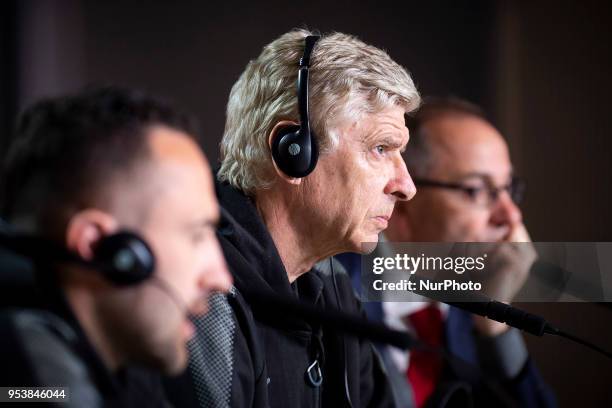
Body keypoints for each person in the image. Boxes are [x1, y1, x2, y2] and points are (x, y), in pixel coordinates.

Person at [166, 29, 420, 408]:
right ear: (293, 151)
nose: (406, 186)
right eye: (381, 148)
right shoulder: (204, 298)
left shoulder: (333, 292)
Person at [0, 86, 232, 407]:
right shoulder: (31, 374)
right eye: (195, 235)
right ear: (100, 246)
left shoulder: (124, 369)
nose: (221, 279)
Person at [338, 97, 557, 407]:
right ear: (403, 195)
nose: (511, 217)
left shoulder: (475, 297)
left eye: (509, 190)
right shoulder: (327, 285)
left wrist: (494, 322)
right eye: (477, 190)